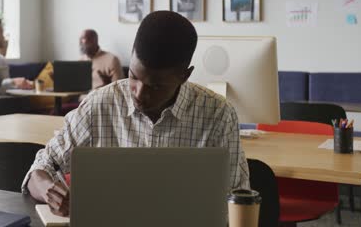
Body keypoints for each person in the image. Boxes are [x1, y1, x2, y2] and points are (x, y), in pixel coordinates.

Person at [22, 11, 250, 216]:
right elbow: (40, 168)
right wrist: (49, 190)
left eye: (156, 86)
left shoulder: (218, 115)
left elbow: (236, 200)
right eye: (133, 76)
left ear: (184, 76)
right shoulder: (100, 105)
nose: (139, 94)